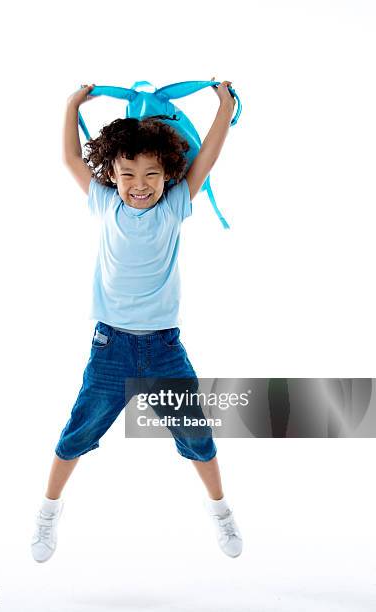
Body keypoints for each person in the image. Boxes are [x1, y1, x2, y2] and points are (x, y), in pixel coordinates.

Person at [31, 78, 242, 563]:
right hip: (111, 346)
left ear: (169, 173)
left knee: (196, 435)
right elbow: (69, 159)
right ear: (112, 173)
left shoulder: (176, 205)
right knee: (78, 433)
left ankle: (221, 511)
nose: (140, 184)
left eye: (151, 173)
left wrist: (224, 106)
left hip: (165, 348)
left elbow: (209, 154)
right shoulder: (104, 202)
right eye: (128, 174)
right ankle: (48, 512)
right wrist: (71, 104)